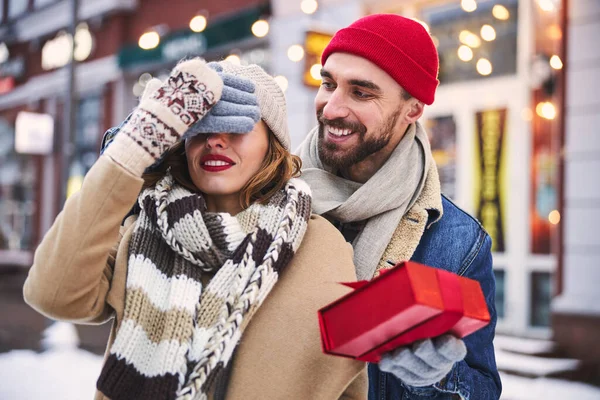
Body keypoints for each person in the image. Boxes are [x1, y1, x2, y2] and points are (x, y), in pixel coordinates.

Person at [23, 59, 367, 400]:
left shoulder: (320, 245)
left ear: (272, 144)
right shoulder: (144, 229)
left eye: (236, 125)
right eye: (201, 126)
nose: (215, 140)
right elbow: (52, 295)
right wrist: (132, 149)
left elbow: (347, 382)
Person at [293, 14, 502, 400]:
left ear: (412, 110)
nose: (331, 107)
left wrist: (435, 376)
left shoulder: (460, 242)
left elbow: (483, 389)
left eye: (361, 92)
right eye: (328, 83)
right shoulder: (270, 197)